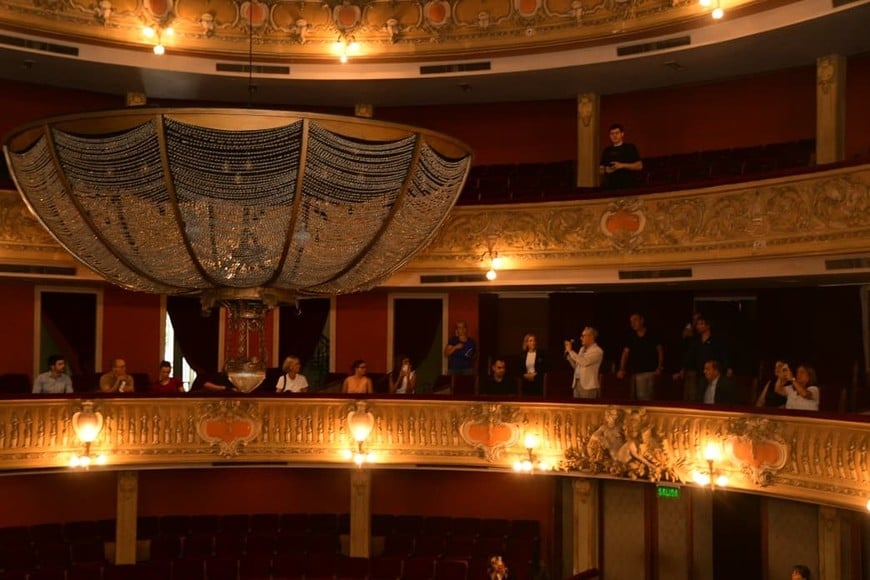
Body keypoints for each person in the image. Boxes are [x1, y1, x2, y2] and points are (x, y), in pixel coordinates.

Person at [616, 313, 663, 401]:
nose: (632, 323)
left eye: (635, 320)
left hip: (649, 372)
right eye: (631, 321)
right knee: (634, 399)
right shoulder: (631, 337)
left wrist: (659, 367)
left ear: (642, 320)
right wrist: (622, 368)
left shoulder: (652, 334)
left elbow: (660, 351)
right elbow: (625, 353)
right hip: (634, 373)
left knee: (646, 399)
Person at [599, 123, 643, 190]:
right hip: (610, 187)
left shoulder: (630, 147)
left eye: (617, 133)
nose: (614, 136)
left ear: (622, 134)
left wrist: (621, 165)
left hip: (629, 186)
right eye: (612, 134)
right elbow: (601, 169)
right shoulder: (607, 150)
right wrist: (606, 170)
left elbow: (639, 166)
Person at [565, 327, 603, 399]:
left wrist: (571, 351)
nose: (580, 338)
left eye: (583, 336)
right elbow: (577, 366)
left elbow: (584, 362)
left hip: (588, 386)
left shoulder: (597, 351)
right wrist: (569, 356)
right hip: (577, 384)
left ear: (591, 336)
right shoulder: (582, 349)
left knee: (587, 409)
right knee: (577, 408)